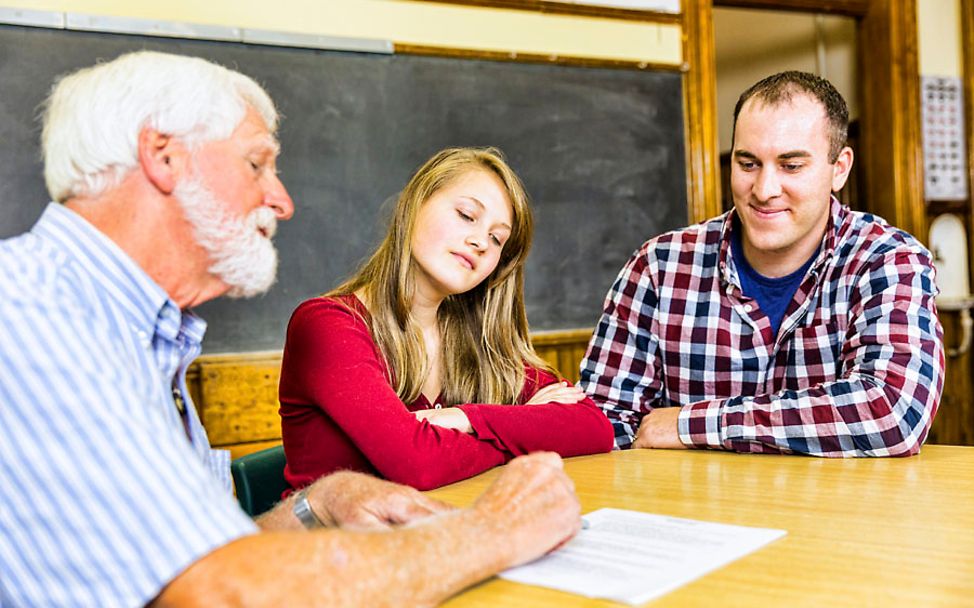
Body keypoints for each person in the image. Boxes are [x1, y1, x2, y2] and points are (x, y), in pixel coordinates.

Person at [0, 51, 583, 607]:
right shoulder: (34, 312)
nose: (281, 201)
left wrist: (318, 502)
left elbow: (215, 548)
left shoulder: (144, 335)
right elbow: (213, 591)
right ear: (164, 157)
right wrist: (491, 532)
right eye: (256, 164)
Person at [580, 71, 944, 457]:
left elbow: (891, 413)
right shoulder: (659, 266)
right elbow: (602, 422)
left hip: (838, 515)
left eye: (791, 166)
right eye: (748, 163)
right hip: (691, 513)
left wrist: (691, 423)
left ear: (839, 168)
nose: (765, 190)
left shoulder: (887, 261)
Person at [279, 147, 614, 492]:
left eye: (497, 239)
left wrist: (465, 418)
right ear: (414, 205)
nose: (480, 241)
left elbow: (594, 427)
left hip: (439, 533)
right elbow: (417, 465)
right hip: (334, 542)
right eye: (467, 215)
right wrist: (519, 437)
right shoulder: (327, 325)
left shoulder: (475, 337)